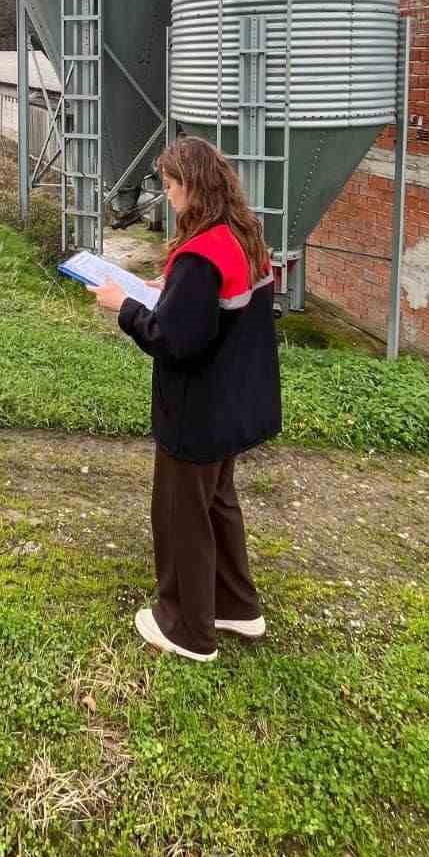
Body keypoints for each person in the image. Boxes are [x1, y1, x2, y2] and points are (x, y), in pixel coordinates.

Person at [91, 136, 281, 662]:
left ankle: (186, 629)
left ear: (193, 187)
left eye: (171, 186)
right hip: (235, 401)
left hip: (197, 410)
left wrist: (125, 304)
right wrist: (170, 287)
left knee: (180, 515)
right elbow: (212, 311)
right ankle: (237, 606)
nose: (168, 196)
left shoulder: (200, 254)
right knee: (217, 504)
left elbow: (171, 340)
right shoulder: (242, 234)